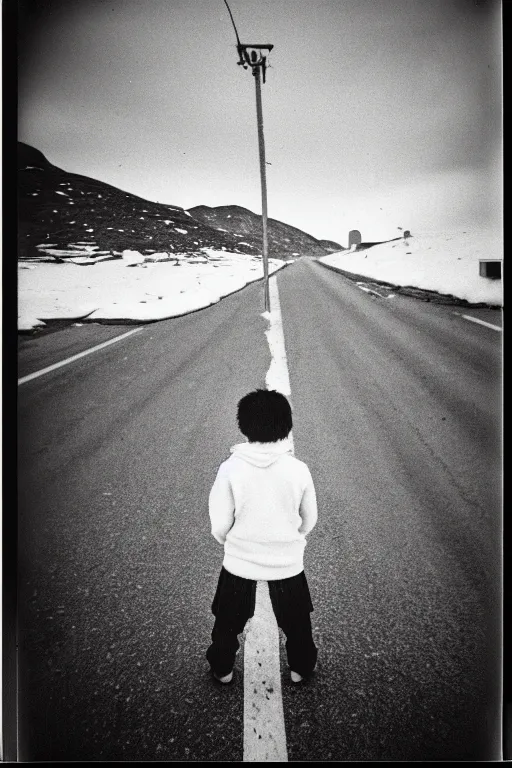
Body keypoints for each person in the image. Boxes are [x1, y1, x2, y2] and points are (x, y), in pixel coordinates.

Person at [206, 388, 318, 685]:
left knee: (228, 620)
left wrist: (231, 542)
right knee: (296, 621)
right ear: (286, 426)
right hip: (287, 562)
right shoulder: (298, 470)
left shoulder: (230, 469)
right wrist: (292, 538)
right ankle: (300, 667)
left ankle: (222, 667)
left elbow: (219, 522)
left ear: (243, 425)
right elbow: (310, 518)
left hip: (239, 560)